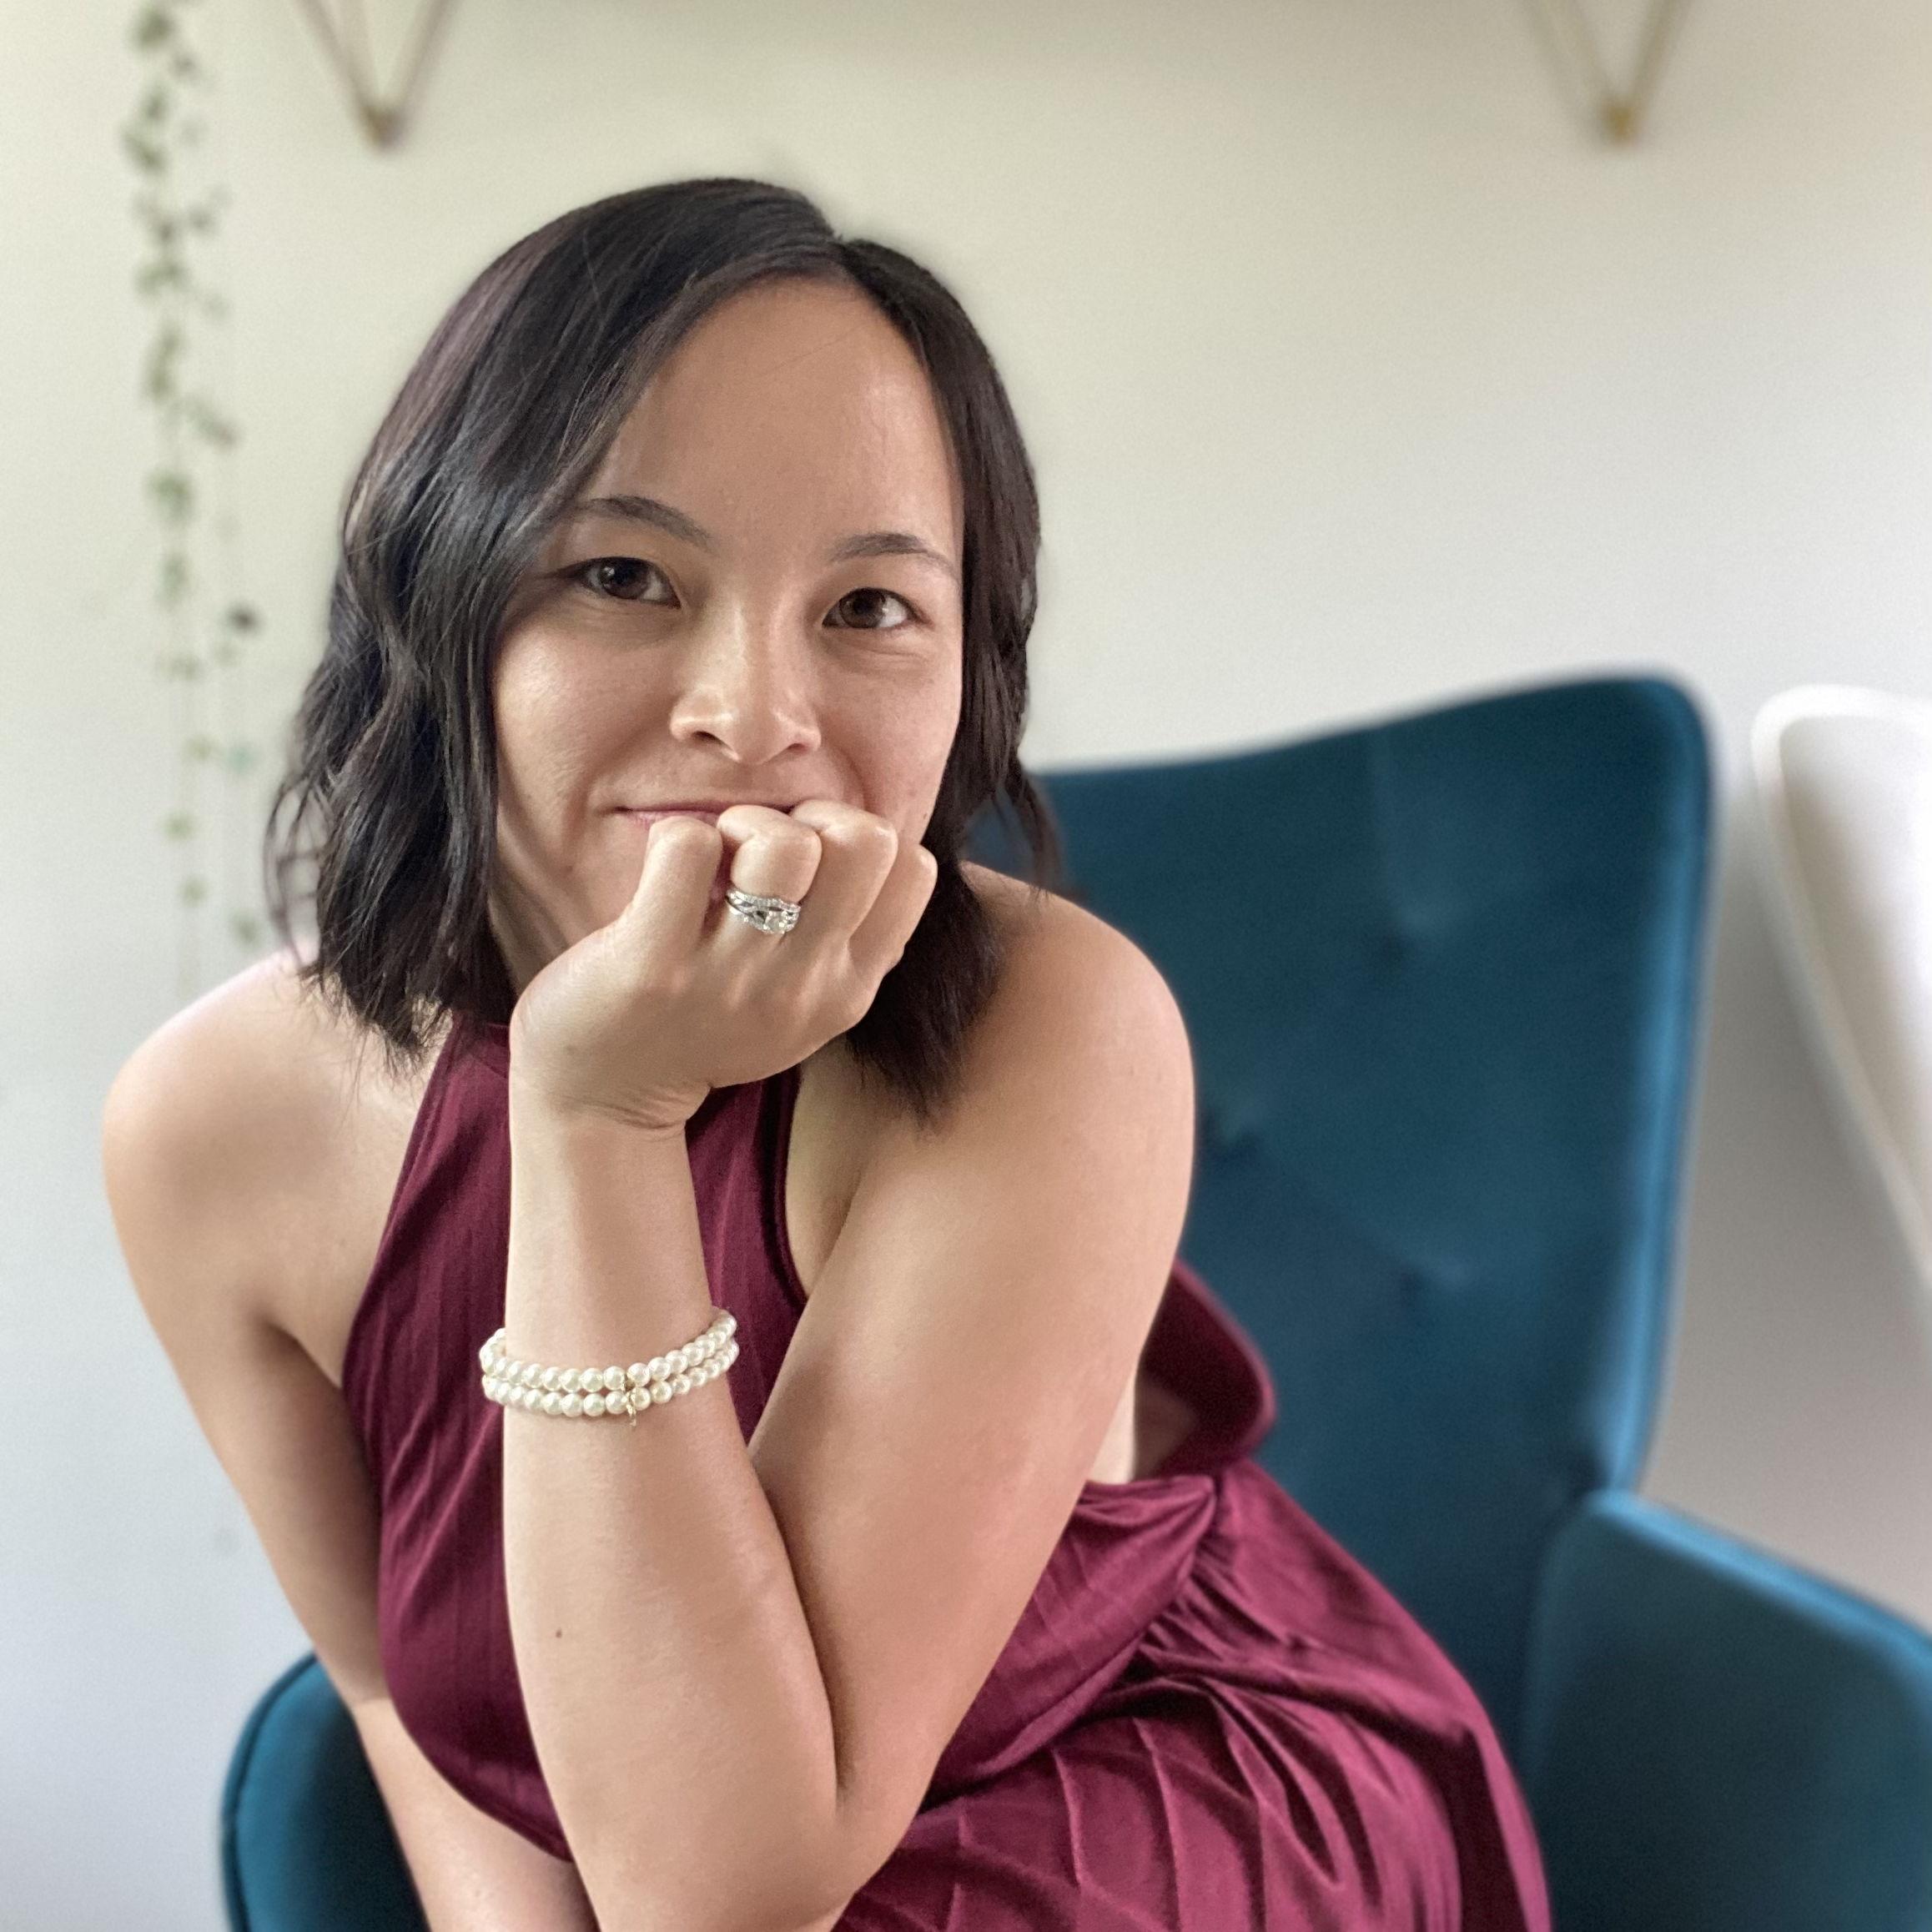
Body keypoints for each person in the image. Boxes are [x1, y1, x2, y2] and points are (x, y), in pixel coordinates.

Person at [102, 178, 1552, 1930]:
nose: (756, 716)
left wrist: (604, 1114)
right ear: (439, 602)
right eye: (622, 576)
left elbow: (725, 1889)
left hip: (1151, 1792)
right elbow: (405, 1707)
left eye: (868, 609)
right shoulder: (215, 1128)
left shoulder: (1052, 1026)